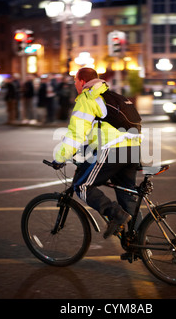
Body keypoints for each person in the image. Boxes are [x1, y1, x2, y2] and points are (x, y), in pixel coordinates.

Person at [52, 67, 142, 239]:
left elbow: (76, 133)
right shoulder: (113, 97)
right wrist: (85, 151)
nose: (75, 85)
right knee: (127, 195)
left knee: (82, 186)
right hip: (133, 149)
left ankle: (117, 215)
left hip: (114, 150)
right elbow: (103, 130)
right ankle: (137, 242)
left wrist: (60, 157)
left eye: (75, 82)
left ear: (82, 82)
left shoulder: (88, 98)